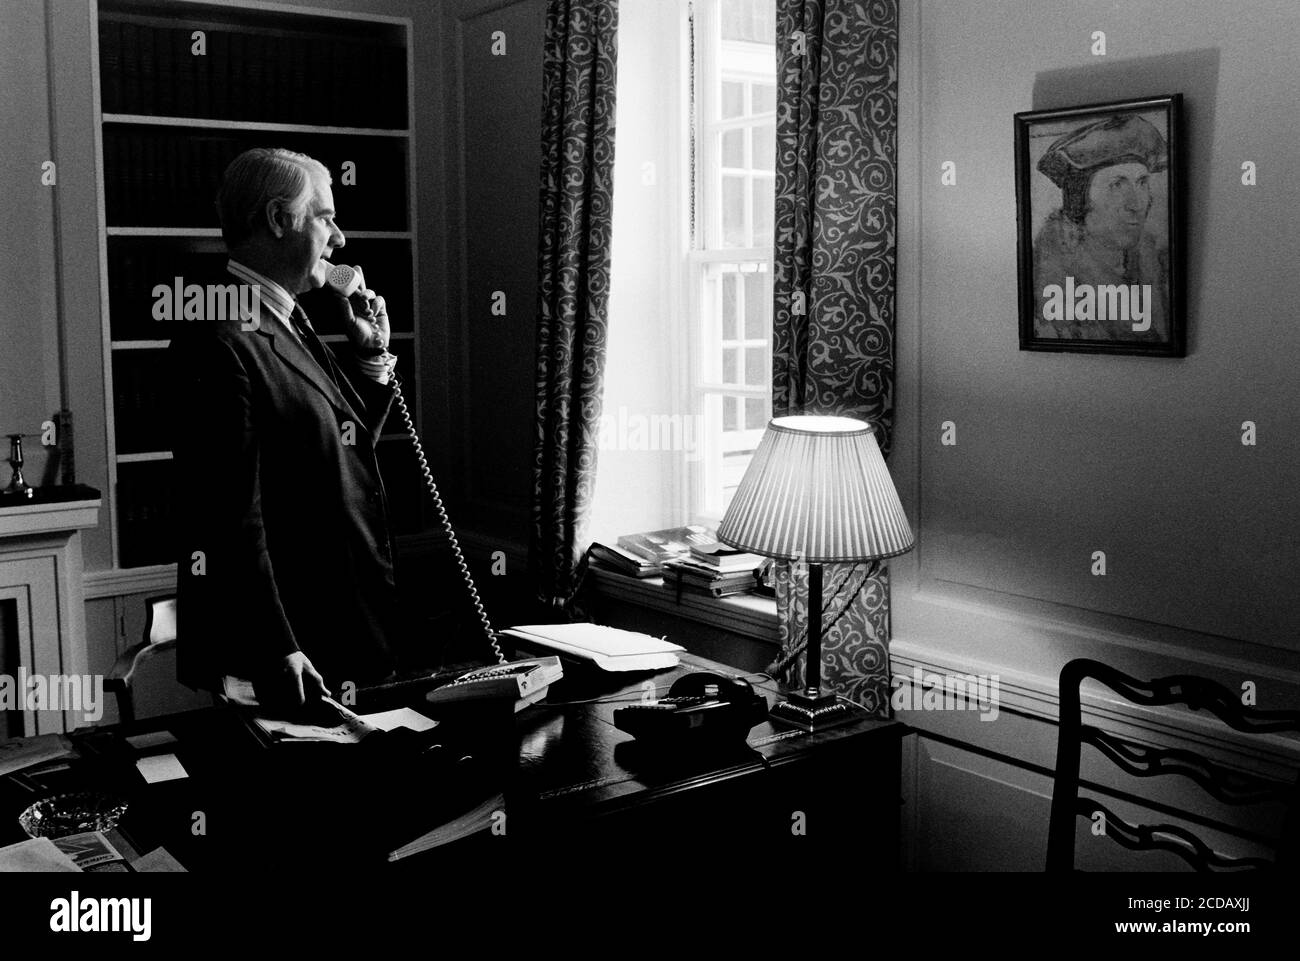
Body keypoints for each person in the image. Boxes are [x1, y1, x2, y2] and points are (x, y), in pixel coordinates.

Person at [170, 147, 402, 711]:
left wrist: (371, 360)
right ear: (278, 220)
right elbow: (228, 515)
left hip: (336, 620)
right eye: (326, 217)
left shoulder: (285, 317)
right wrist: (278, 646)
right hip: (289, 648)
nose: (339, 239)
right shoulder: (220, 337)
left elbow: (339, 453)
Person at [1032, 113, 1170, 341]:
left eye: (1142, 182)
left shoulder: (1156, 262)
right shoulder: (1049, 276)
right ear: (1080, 199)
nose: (1137, 204)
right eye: (1117, 184)